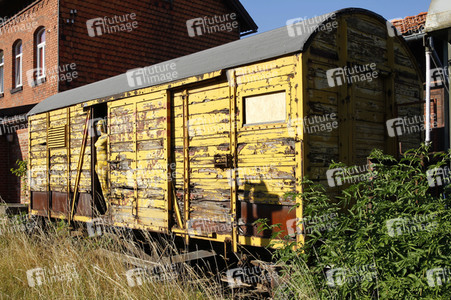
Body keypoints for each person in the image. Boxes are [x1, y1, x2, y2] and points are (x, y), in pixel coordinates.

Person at [94, 120, 108, 200]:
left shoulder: (107, 136)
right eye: (98, 125)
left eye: (101, 124)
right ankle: (107, 206)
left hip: (104, 163)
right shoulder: (99, 138)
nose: (99, 126)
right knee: (102, 185)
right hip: (98, 164)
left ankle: (110, 205)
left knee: (105, 184)